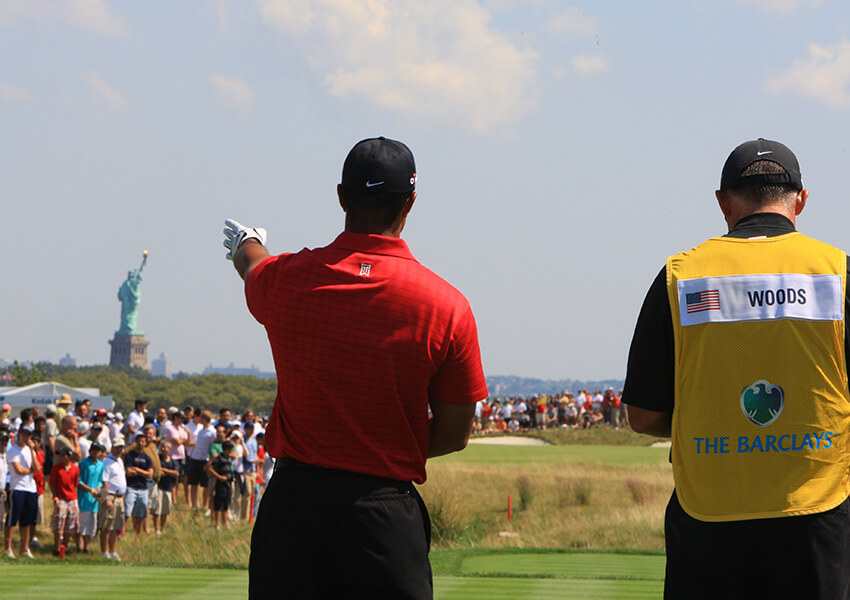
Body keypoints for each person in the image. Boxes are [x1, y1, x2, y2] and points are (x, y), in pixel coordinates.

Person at [225, 136, 488, 599]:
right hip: (383, 516)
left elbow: (253, 265)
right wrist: (379, 445)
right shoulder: (446, 306)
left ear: (342, 196)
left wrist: (247, 242)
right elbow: (453, 433)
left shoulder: (286, 279)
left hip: (293, 510)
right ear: (410, 202)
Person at [623, 138, 850, 599]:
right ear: (801, 200)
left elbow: (643, 416)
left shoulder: (680, 276)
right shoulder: (837, 272)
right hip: (817, 513)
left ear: (723, 203)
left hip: (709, 517)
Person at [4, 425, 40, 558]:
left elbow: (37, 467)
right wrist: (30, 470)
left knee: (27, 520)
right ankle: (8, 547)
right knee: (12, 518)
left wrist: (31, 449)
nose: (26, 437)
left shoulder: (30, 450)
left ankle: (24, 548)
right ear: (19, 434)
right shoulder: (13, 450)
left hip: (30, 488)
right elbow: (19, 470)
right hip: (18, 487)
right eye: (24, 434)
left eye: (28, 435)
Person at [48, 446, 79, 555]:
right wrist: (55, 496)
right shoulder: (56, 468)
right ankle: (57, 549)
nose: (60, 457)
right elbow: (52, 483)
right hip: (61, 498)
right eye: (60, 455)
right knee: (58, 524)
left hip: (72, 498)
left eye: (63, 455)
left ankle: (64, 547)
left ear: (69, 456)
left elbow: (75, 484)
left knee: (70, 525)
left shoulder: (75, 469)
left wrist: (75, 497)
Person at [100, 437, 127, 561]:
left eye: (121, 447)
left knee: (116, 527)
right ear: (112, 447)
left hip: (120, 497)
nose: (119, 450)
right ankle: (104, 551)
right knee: (107, 526)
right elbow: (104, 482)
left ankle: (113, 551)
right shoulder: (107, 462)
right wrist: (107, 499)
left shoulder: (120, 461)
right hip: (111, 496)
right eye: (117, 447)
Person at [77, 442, 105, 554]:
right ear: (89, 451)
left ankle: (86, 548)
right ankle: (79, 546)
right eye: (93, 449)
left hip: (94, 500)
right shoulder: (83, 463)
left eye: (97, 450)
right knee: (82, 524)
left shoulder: (101, 465)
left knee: (91, 525)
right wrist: (89, 490)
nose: (95, 452)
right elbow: (79, 481)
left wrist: (98, 490)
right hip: (84, 498)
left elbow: (100, 481)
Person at [123, 433, 153, 535]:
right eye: (139, 441)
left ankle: (137, 533)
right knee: (127, 512)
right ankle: (121, 532)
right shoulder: (129, 455)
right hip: (131, 487)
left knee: (141, 514)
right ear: (135, 442)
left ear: (145, 443)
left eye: (143, 441)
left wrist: (137, 470)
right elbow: (129, 472)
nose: (141, 443)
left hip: (143, 488)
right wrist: (143, 473)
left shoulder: (147, 458)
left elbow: (150, 475)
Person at [205, 439, 235, 530]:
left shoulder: (228, 458)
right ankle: (217, 523)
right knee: (218, 504)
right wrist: (219, 476)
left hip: (228, 483)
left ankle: (225, 523)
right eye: (230, 449)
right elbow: (209, 468)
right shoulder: (219, 458)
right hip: (220, 483)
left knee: (226, 503)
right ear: (227, 449)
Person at [151, 440, 179, 535]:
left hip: (168, 488)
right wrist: (168, 472)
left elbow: (176, 473)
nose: (163, 449)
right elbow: (157, 470)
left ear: (169, 449)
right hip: (158, 487)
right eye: (162, 447)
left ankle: (163, 528)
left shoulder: (173, 461)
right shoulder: (157, 459)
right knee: (156, 510)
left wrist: (165, 470)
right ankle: (156, 529)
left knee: (165, 511)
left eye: (165, 447)